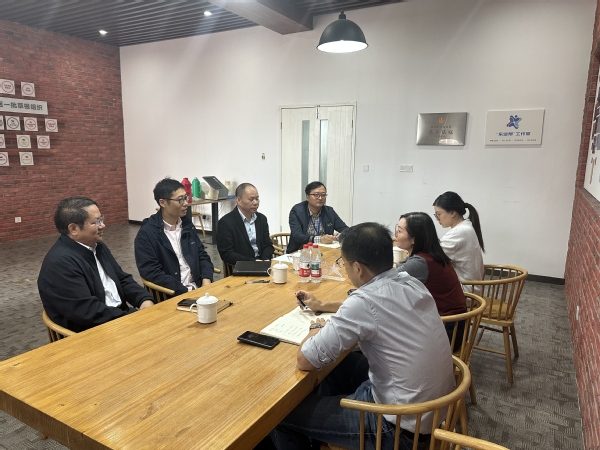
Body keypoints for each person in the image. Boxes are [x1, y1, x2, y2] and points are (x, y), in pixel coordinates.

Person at [270, 223, 454, 450]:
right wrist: (323, 305)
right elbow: (373, 307)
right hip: (430, 411)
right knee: (337, 367)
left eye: (343, 263)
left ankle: (318, 431)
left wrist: (315, 329)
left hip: (395, 426)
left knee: (281, 415)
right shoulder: (411, 282)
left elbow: (305, 360)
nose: (344, 268)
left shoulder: (364, 302)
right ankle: (321, 433)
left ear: (357, 268)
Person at [38, 197, 155, 332]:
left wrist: (143, 299)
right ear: (73, 228)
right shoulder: (60, 263)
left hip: (117, 318)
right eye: (96, 222)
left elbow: (121, 278)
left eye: (101, 219)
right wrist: (133, 316)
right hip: (93, 331)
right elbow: (88, 311)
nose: (103, 225)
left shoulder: (97, 246)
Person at [394, 212, 466, 345]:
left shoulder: (420, 262)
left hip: (446, 331)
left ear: (414, 239)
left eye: (399, 231)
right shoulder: (431, 253)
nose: (395, 235)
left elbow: (388, 279)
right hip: (453, 324)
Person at [135, 178, 213, 296]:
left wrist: (206, 280)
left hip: (199, 288)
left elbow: (202, 255)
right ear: (163, 203)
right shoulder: (147, 234)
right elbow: (151, 272)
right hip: (172, 294)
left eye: (186, 197)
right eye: (180, 200)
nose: (186, 203)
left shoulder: (187, 225)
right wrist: (186, 292)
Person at [216, 182, 274, 266]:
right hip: (242, 266)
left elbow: (267, 245)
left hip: (262, 264)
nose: (255, 202)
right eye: (251, 199)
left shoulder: (261, 219)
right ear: (239, 200)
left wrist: (264, 261)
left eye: (257, 198)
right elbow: (227, 254)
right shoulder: (226, 222)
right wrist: (253, 262)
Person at [433, 191, 485, 284]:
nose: (437, 219)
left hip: (465, 289)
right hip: (470, 286)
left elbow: (433, 256)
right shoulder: (466, 226)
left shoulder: (460, 231)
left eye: (438, 214)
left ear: (452, 212)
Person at [287, 181, 349, 253]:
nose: (320, 198)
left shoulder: (329, 211)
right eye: (316, 195)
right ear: (307, 197)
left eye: (323, 195)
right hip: (300, 252)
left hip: (324, 251)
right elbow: (297, 236)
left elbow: (345, 229)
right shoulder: (297, 211)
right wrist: (320, 239)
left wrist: (340, 235)